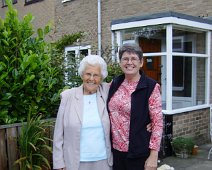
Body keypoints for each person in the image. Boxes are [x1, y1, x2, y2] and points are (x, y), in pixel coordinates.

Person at [107, 43, 163, 170]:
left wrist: (154, 156)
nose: (129, 62)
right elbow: (94, 86)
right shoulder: (115, 83)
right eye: (125, 59)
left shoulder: (151, 87)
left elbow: (158, 123)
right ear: (120, 62)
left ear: (141, 63)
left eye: (133, 59)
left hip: (139, 153)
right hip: (115, 152)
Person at [53, 55, 113, 170]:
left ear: (101, 78)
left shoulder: (107, 92)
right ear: (82, 75)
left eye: (96, 75)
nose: (91, 79)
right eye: (88, 74)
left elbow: (128, 91)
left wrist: (148, 121)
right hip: (75, 163)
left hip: (103, 161)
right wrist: (59, 163)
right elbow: (58, 135)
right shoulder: (68, 96)